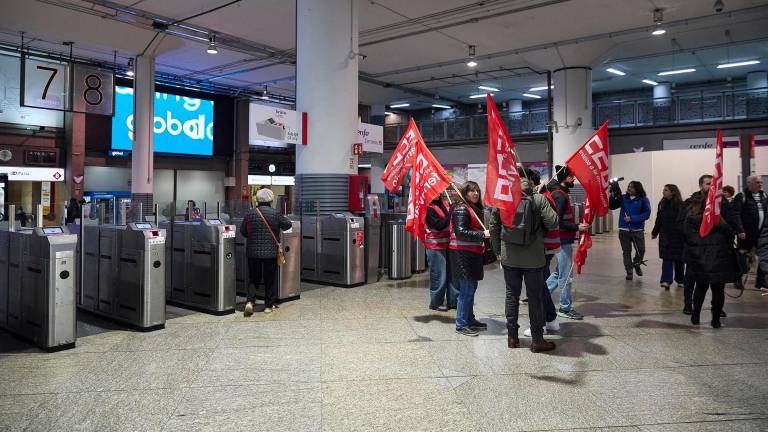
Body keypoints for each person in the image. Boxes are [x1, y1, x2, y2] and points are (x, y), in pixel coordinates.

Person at [489, 168, 559, 352]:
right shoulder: (538, 198)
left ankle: (512, 338)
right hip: (534, 257)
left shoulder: (503, 199)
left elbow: (494, 226)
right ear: (529, 180)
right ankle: (537, 340)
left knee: (511, 296)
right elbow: (553, 223)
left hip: (510, 257)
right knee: (535, 298)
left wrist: (497, 250)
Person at [681, 192, 735, 328]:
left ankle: (696, 316)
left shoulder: (691, 220)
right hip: (718, 259)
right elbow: (730, 236)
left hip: (700, 260)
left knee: (700, 288)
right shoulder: (718, 220)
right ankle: (715, 320)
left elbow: (687, 238)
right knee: (718, 291)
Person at [545, 166, 589, 320]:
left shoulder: (561, 193)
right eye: (571, 176)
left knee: (559, 273)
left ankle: (539, 295)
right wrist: (576, 226)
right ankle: (565, 308)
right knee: (566, 275)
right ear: (564, 178)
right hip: (562, 240)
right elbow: (557, 221)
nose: (574, 179)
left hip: (563, 239)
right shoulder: (560, 196)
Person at [240, 188, 292, 316]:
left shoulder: (250, 214)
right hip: (270, 253)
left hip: (253, 252)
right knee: (270, 279)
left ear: (257, 199)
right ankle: (268, 306)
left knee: (253, 278)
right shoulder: (275, 213)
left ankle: (250, 302)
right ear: (271, 200)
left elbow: (243, 231)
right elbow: (288, 225)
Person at [449, 181, 489, 337]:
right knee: (466, 291)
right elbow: (460, 232)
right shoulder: (461, 209)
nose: (476, 193)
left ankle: (469, 319)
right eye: (471, 191)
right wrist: (482, 234)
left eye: (477, 190)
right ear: (465, 193)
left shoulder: (472, 209)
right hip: (463, 255)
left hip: (471, 254)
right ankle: (461, 324)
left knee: (471, 289)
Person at [678, 174, 711, 315]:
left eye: (712, 184)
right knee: (690, 276)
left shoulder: (719, 202)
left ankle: (717, 306)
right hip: (693, 246)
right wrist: (692, 238)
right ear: (701, 185)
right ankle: (688, 303)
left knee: (713, 278)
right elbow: (680, 223)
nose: (710, 186)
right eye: (708, 184)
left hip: (712, 247)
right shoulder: (690, 202)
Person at [732, 176, 767, 289]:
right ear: (749, 183)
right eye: (757, 182)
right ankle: (737, 279)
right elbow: (735, 214)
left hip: (762, 234)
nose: (760, 184)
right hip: (746, 234)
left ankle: (760, 282)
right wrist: (740, 230)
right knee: (741, 256)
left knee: (764, 257)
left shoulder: (764, 196)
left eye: (761, 182)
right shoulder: (741, 196)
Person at [424, 193, 457, 311]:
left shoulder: (445, 203)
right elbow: (439, 225)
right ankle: (436, 302)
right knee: (439, 275)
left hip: (449, 244)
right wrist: (451, 213)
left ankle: (453, 300)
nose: (437, 193)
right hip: (435, 246)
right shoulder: (428, 207)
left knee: (452, 274)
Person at [652, 184, 685, 290]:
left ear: (673, 192)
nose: (663, 192)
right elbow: (659, 219)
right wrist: (655, 232)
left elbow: (684, 220)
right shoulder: (662, 204)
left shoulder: (681, 205)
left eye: (666, 190)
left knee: (679, 260)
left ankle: (680, 279)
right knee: (667, 258)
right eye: (663, 190)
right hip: (665, 235)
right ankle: (666, 280)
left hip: (678, 236)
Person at [618, 181, 651, 280]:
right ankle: (629, 271)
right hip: (624, 230)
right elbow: (612, 203)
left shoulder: (643, 200)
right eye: (628, 187)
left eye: (632, 187)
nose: (629, 188)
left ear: (637, 189)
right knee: (626, 251)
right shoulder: (623, 198)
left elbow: (647, 214)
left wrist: (632, 218)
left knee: (641, 249)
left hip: (638, 230)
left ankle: (636, 263)